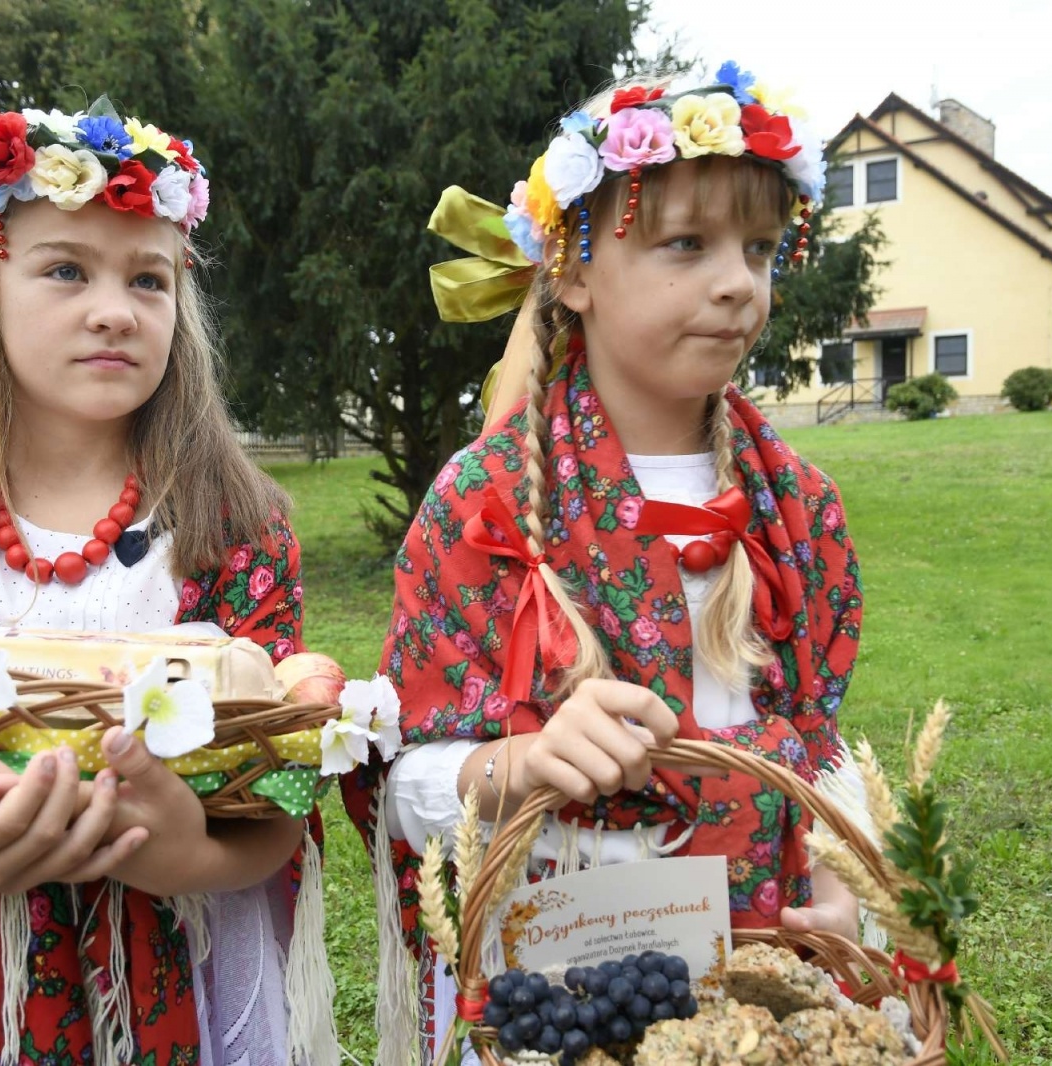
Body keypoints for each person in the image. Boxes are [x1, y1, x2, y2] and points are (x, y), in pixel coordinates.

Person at [344, 63, 865, 1057]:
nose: (737, 283)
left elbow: (820, 743)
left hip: (761, 979)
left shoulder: (798, 508)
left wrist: (839, 884)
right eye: (686, 244)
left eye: (759, 249)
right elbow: (403, 787)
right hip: (565, 982)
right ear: (573, 269)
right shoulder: (486, 504)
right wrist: (525, 762)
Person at [0, 100, 315, 1064]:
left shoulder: (234, 525)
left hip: (186, 961)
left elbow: (281, 793)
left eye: (149, 279)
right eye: (65, 270)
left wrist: (192, 854)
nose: (115, 310)